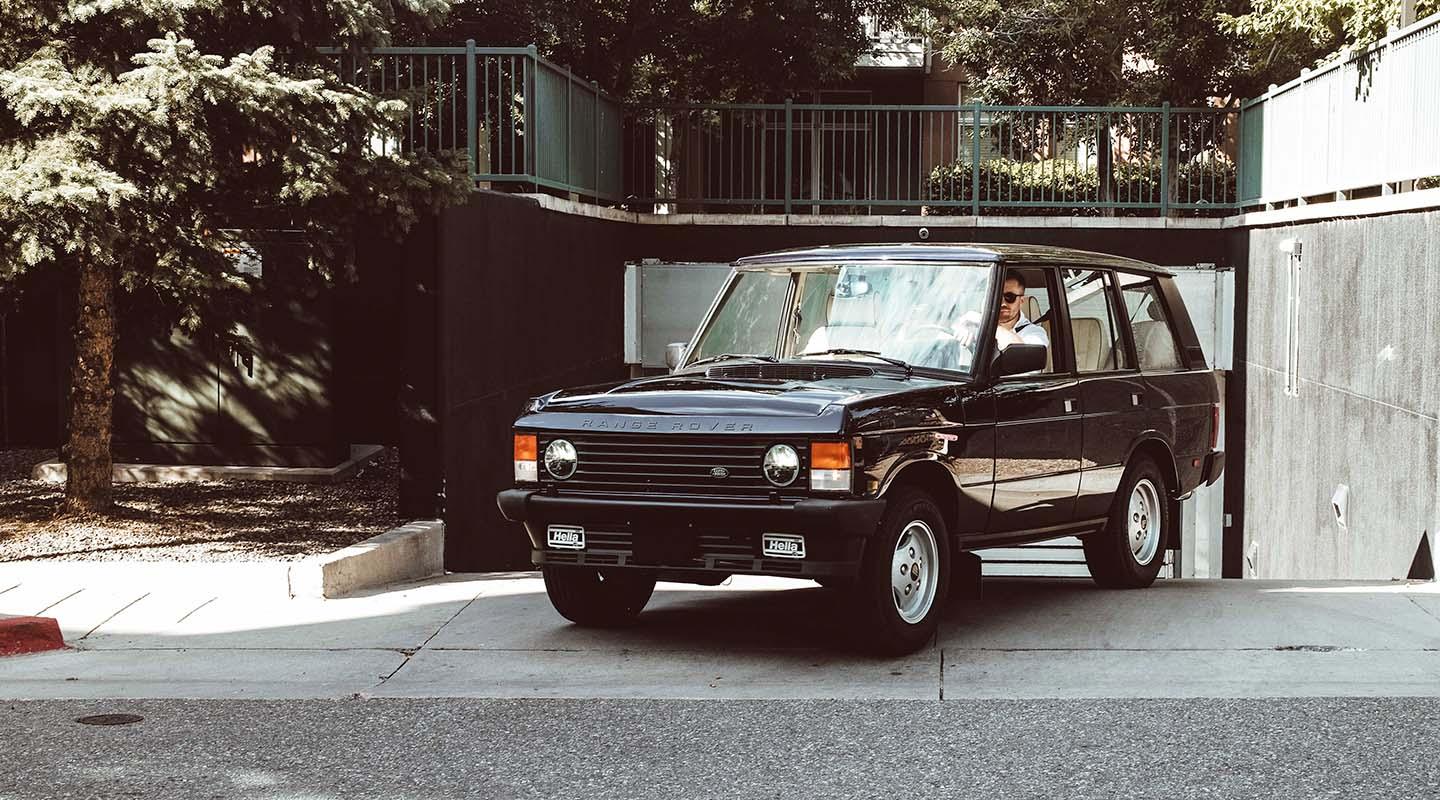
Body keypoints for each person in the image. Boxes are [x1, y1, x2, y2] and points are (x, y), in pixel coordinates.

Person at [957, 269, 1051, 353]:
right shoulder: (975, 325)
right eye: (996, 297)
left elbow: (1023, 355)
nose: (1002, 303)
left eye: (1009, 297)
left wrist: (986, 323)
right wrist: (962, 328)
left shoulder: (1035, 333)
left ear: (1021, 301)